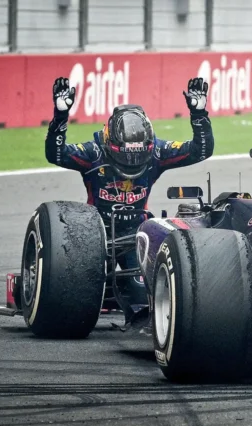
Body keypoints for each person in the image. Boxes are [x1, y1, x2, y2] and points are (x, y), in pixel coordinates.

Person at [45, 76, 213, 313]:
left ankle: (129, 293)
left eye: (137, 156)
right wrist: (60, 116)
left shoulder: (157, 151)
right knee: (79, 296)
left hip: (137, 234)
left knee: (144, 297)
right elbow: (56, 155)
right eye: (125, 156)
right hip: (94, 234)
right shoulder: (93, 152)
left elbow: (200, 151)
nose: (131, 162)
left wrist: (199, 114)